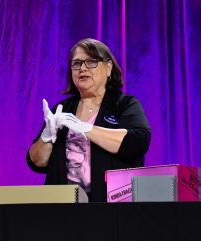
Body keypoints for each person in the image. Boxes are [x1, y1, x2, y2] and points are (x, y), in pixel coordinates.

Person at [27, 38, 151, 202]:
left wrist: (84, 128)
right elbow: (37, 162)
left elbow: (137, 142)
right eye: (76, 63)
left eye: (91, 62)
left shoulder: (125, 104)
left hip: (112, 207)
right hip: (62, 206)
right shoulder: (62, 109)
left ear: (108, 68)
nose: (82, 68)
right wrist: (47, 136)